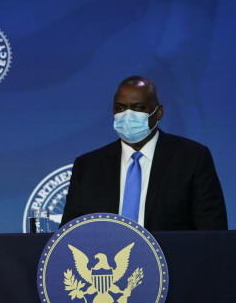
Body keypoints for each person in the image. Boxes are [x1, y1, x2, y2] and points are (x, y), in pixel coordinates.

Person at [61, 75, 227, 230]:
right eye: (120, 108)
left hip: (173, 259)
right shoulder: (88, 166)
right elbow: (69, 234)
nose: (127, 115)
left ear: (158, 112)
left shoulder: (192, 158)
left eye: (138, 108)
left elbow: (212, 233)